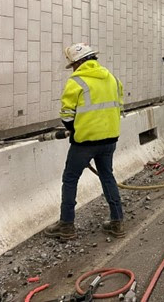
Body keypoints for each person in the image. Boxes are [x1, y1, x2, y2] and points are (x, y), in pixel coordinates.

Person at [45, 43, 125, 240]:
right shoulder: (113, 79)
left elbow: (66, 115)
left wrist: (74, 132)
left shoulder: (77, 81)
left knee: (70, 179)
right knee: (107, 176)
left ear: (79, 62)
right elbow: (119, 107)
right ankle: (117, 222)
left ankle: (66, 226)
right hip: (109, 140)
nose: (72, 68)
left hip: (85, 144)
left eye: (72, 64)